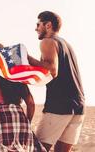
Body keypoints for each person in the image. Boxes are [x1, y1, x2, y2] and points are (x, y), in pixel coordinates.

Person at [28, 11, 85, 152]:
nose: (36, 28)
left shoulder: (48, 41)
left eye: (38, 24)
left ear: (48, 25)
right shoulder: (66, 44)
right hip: (78, 105)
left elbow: (53, 70)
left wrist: (27, 58)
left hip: (60, 105)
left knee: (38, 148)